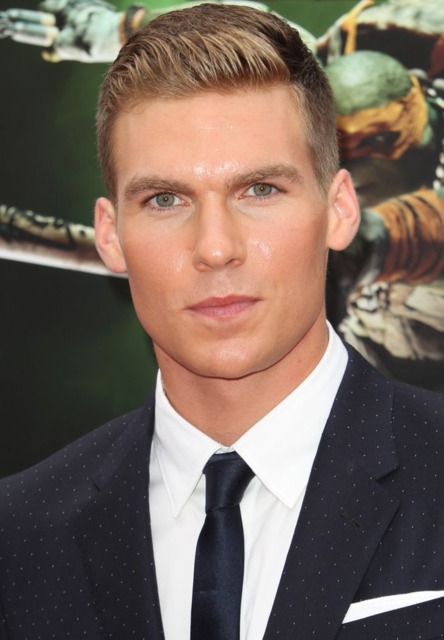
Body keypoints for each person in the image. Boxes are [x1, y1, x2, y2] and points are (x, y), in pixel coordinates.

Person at [1, 4, 444, 639]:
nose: (214, 248)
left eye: (260, 190)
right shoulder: (18, 538)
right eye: (165, 199)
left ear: (339, 210)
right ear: (111, 235)